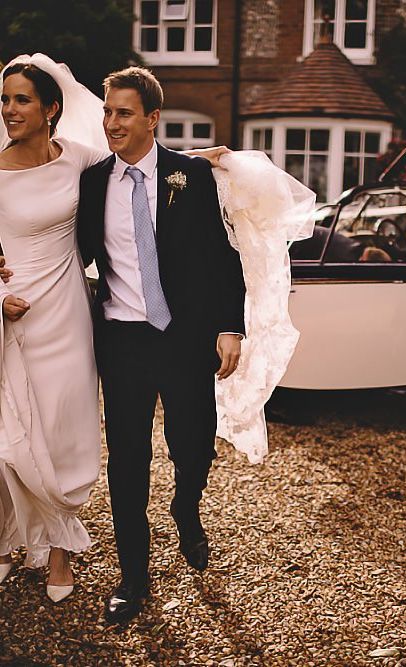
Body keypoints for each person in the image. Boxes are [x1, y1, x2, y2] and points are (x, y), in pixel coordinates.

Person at [75, 67, 246, 624]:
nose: (111, 123)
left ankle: (186, 509)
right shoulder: (92, 180)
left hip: (184, 338)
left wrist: (228, 326)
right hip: (122, 339)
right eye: (106, 112)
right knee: (127, 461)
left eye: (123, 113)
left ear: (151, 118)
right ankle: (134, 575)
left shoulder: (191, 177)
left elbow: (224, 257)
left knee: (192, 446)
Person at [0, 57, 110, 603]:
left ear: (51, 110)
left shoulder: (79, 161)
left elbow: (139, 164)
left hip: (66, 316)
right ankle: (6, 538)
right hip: (9, 317)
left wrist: (204, 160)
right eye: (5, 99)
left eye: (22, 100)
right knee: (7, 437)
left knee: (64, 429)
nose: (9, 110)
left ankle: (60, 551)